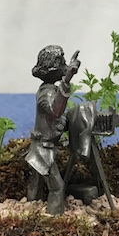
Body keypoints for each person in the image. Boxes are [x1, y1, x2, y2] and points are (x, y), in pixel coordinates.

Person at [25, 45, 80, 215]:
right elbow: (55, 111)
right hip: (43, 149)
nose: (65, 65)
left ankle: (31, 208)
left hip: (44, 145)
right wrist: (67, 80)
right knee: (57, 187)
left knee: (36, 182)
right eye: (62, 62)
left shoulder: (48, 90)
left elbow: (55, 119)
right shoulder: (47, 94)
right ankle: (54, 218)